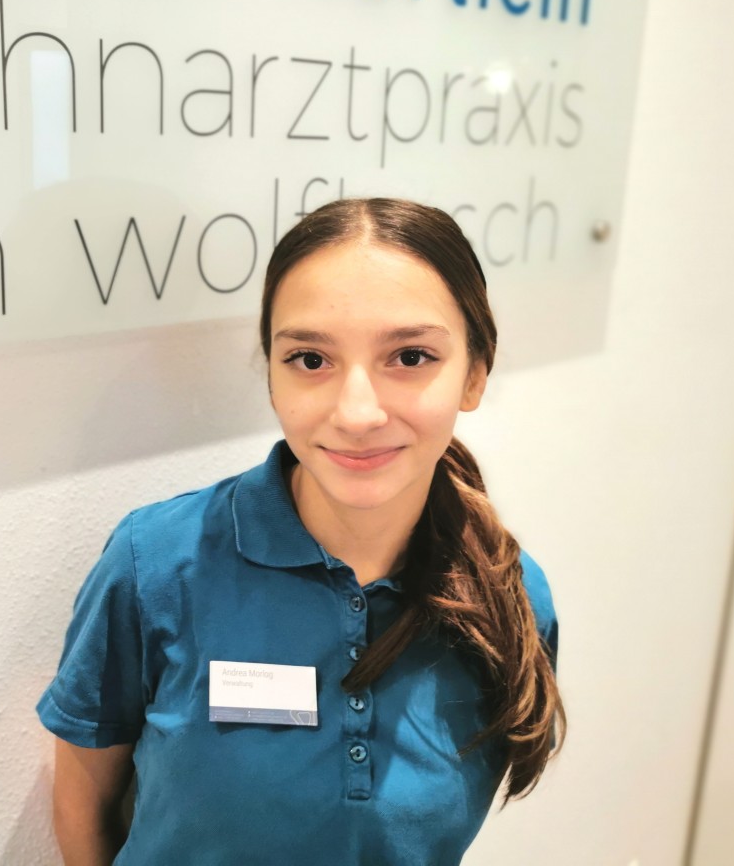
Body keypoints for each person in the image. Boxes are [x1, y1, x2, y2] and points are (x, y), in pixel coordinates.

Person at [37, 197, 565, 866]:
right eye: (311, 360)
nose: (357, 413)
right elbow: (83, 801)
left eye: (410, 356)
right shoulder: (157, 565)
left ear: (476, 374)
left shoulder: (509, 598)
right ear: (272, 376)